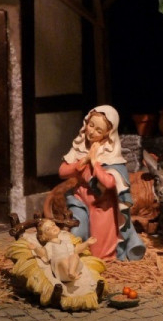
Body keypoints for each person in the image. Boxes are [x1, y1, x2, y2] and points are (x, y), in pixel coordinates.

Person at [59, 105, 146, 261]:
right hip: (80, 199)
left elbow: (109, 183)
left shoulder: (110, 153)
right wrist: (83, 161)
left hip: (102, 204)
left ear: (107, 133)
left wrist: (94, 162)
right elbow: (62, 172)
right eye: (91, 125)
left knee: (99, 250)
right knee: (77, 232)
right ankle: (75, 260)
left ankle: (100, 262)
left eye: (99, 130)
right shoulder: (80, 146)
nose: (92, 132)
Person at [29, 219, 97, 282]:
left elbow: (77, 249)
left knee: (75, 256)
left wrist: (87, 243)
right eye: (48, 229)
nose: (52, 228)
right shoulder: (49, 245)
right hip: (62, 271)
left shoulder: (66, 241)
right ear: (44, 236)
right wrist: (35, 248)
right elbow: (43, 253)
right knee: (63, 260)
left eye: (53, 225)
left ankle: (72, 272)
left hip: (72, 267)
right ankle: (69, 273)